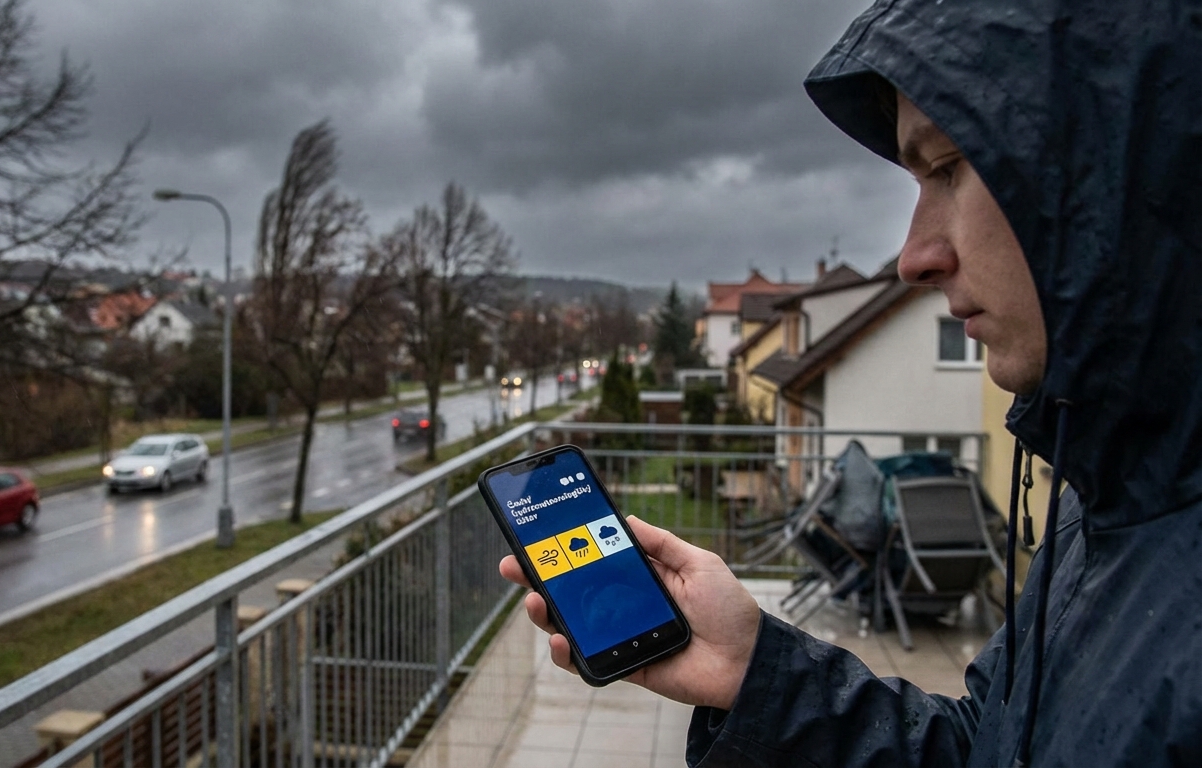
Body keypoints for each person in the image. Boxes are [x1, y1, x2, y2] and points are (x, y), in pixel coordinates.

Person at [500, 0, 1202, 764]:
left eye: (948, 167)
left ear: (1126, 165)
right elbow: (983, 752)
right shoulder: (1098, 517)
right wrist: (753, 674)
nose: (914, 255)